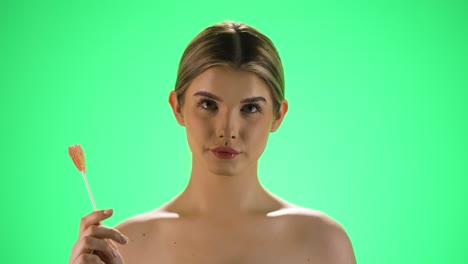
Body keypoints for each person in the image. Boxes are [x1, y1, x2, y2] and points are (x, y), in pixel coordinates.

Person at [69, 21, 356, 264]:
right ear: (177, 107)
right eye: (208, 104)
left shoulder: (323, 244)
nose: (227, 130)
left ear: (278, 115)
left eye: (250, 108)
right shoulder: (123, 246)